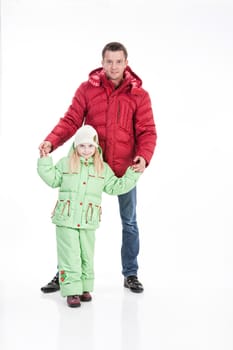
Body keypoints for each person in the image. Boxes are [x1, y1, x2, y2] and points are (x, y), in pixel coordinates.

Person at [39, 41, 157, 294]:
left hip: (122, 169)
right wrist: (51, 141)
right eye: (109, 61)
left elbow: (147, 131)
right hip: (87, 166)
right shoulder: (87, 90)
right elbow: (71, 120)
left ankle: (131, 273)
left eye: (118, 61)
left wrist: (143, 157)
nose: (113, 66)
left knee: (129, 222)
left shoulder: (139, 95)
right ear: (102, 63)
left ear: (126, 63)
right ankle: (64, 274)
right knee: (71, 222)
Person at [38, 125, 141, 307]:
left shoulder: (102, 169)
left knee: (87, 254)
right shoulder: (66, 163)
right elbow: (52, 179)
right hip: (66, 219)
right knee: (70, 255)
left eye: (90, 146)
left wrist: (132, 174)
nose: (86, 150)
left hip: (88, 220)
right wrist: (45, 161)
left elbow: (115, 186)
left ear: (96, 148)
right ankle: (71, 291)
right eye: (82, 146)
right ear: (75, 147)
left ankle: (85, 288)